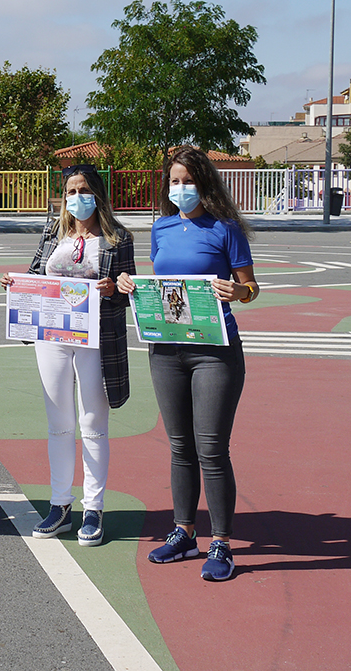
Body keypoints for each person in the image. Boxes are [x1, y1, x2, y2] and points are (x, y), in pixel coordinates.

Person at [117, 146, 257, 582]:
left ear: (205, 183)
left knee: (211, 449)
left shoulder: (225, 229)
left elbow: (249, 285)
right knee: (180, 447)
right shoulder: (160, 228)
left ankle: (222, 543)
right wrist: (130, 285)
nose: (180, 188)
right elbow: (162, 284)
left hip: (215, 352)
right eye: (174, 181)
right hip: (166, 350)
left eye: (188, 181)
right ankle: (184, 533)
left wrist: (240, 294)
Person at [0, 164, 135, 547]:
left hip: (96, 340)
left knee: (93, 423)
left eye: (85, 190)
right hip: (52, 336)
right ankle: (60, 505)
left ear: (98, 194)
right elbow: (34, 275)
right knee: (59, 423)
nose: (77, 198)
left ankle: (93, 509)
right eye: (71, 191)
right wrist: (14, 283)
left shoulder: (117, 238)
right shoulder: (53, 232)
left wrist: (114, 289)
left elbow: (130, 290)